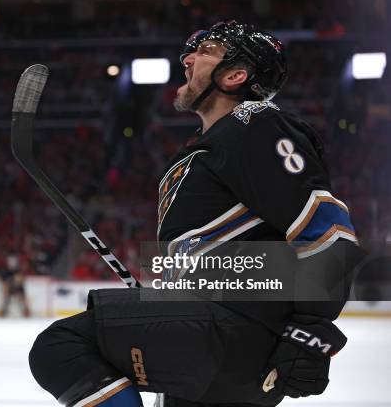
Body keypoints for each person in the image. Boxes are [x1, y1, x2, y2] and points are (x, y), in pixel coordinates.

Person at [28, 21, 363, 407]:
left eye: (205, 51)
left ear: (236, 75)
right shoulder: (211, 146)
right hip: (225, 342)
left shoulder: (254, 123)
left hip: (234, 332)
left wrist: (310, 335)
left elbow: (331, 234)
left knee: (62, 347)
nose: (187, 58)